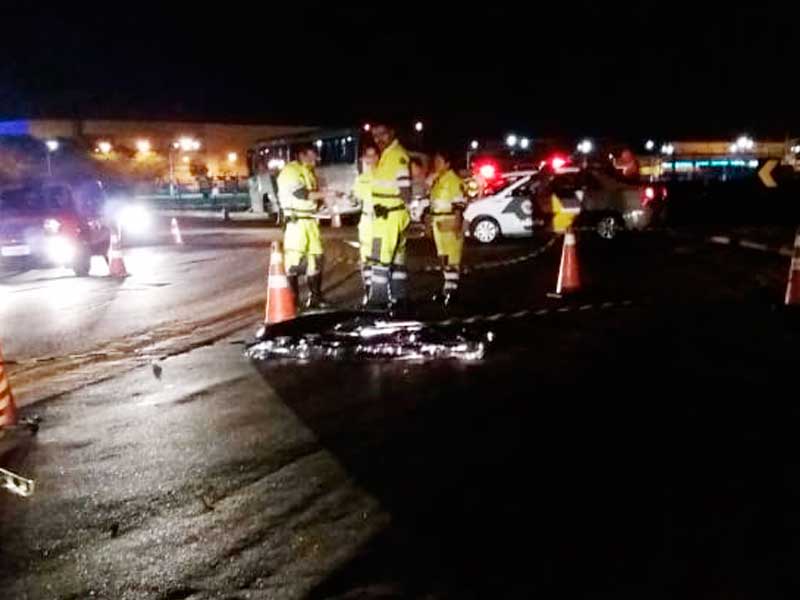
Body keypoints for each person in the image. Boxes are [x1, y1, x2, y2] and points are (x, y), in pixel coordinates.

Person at [277, 144, 335, 309]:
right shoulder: (290, 171)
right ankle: (292, 299)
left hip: (310, 221)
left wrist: (323, 203)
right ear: (302, 155)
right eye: (312, 156)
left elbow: (313, 197)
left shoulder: (308, 171)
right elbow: (301, 194)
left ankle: (316, 297)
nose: (315, 159)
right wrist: (327, 194)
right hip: (296, 223)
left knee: (315, 259)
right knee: (294, 261)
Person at [367, 123, 412, 310]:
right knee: (397, 261)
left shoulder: (397, 156)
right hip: (390, 216)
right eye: (375, 136)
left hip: (388, 217)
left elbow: (405, 190)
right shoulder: (387, 155)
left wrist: (399, 206)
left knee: (380, 259)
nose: (378, 139)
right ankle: (400, 298)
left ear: (392, 132)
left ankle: (377, 301)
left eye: (382, 134)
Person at [429, 150, 466, 305]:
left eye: (439, 162)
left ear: (447, 164)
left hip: (450, 220)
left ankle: (452, 291)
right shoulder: (438, 180)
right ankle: (447, 287)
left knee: (452, 258)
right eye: (435, 161)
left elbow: (459, 204)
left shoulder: (454, 181)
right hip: (438, 222)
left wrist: (457, 223)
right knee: (443, 257)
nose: (436, 164)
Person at [352, 145, 379, 303]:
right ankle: (368, 290)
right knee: (365, 258)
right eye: (366, 156)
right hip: (366, 222)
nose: (369, 160)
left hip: (379, 222)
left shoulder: (382, 176)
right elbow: (356, 199)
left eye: (372, 156)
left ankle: (378, 291)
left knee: (378, 257)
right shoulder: (360, 179)